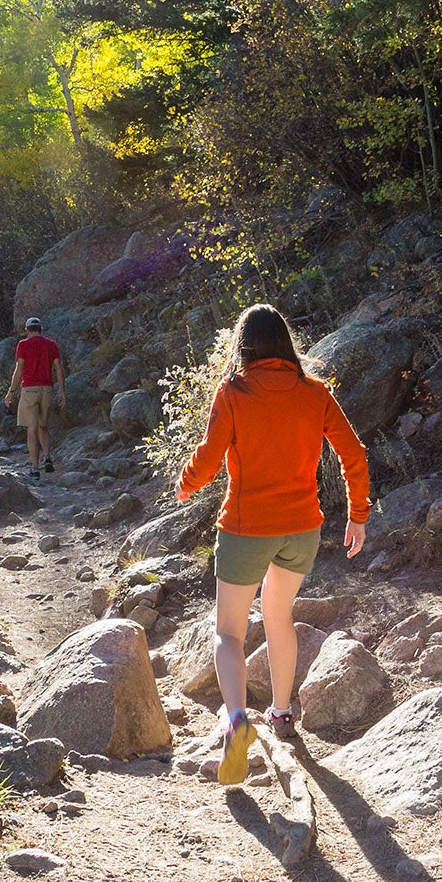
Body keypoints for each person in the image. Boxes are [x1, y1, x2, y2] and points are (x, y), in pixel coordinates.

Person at [175, 303, 370, 786]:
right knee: (279, 616)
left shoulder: (235, 392)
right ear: (286, 344)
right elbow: (353, 453)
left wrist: (186, 484)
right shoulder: (315, 393)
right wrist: (358, 515)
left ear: (243, 346)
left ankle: (238, 720)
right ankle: (282, 715)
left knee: (229, 633)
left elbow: (209, 455)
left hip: (245, 528)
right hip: (301, 528)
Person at [5, 316, 67, 480]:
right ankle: (47, 458)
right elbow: (59, 369)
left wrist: (11, 392)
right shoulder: (51, 344)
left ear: (27, 330)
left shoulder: (23, 345)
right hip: (47, 389)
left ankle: (34, 467)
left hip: (30, 389)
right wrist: (62, 391)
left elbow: (19, 370)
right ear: (40, 329)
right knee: (43, 426)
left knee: (31, 429)